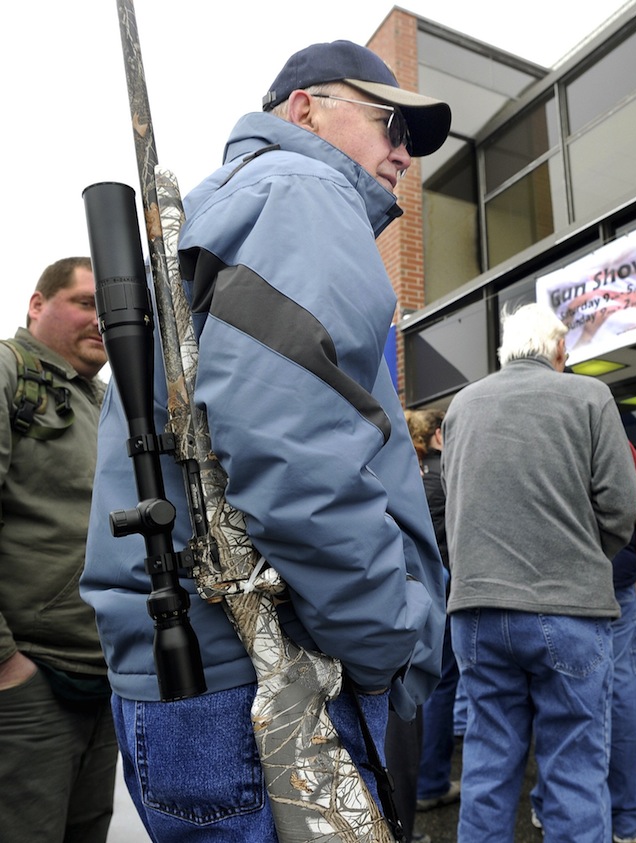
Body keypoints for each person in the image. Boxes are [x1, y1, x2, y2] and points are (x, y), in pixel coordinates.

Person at [81, 40, 449, 842]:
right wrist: (392, 637)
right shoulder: (300, 191)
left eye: (414, 141)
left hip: (199, 682)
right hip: (258, 681)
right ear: (304, 108)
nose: (404, 154)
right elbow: (293, 460)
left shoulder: (239, 198)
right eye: (392, 123)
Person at [441, 302, 636, 843]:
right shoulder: (590, 397)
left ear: (508, 351)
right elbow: (623, 508)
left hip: (477, 610)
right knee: (575, 768)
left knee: (486, 765)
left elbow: (455, 501)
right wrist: (581, 553)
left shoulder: (461, 406)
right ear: (557, 350)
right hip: (569, 607)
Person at [0, 257, 116, 843]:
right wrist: (5, 666)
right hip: (28, 679)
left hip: (101, 675)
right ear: (37, 305)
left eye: (110, 307)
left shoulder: (104, 402)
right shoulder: (7, 370)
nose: (103, 319)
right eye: (86, 302)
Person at [533, 441, 636, 843]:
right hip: (613, 574)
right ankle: (625, 815)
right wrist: (635, 568)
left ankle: (551, 801)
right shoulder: (603, 428)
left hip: (552, 576)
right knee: (621, 691)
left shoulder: (534, 436)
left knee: (558, 694)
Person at [405, 410, 461, 815]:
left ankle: (413, 784)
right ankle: (430, 781)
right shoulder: (445, 473)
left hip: (410, 590)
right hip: (445, 588)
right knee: (441, 683)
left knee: (411, 684)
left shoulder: (402, 471)